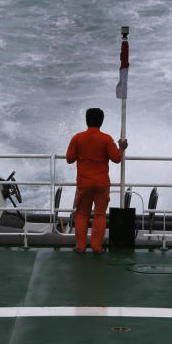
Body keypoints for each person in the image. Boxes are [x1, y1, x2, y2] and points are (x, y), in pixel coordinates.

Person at [66, 107, 128, 253]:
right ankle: (97, 247)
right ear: (101, 122)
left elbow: (69, 159)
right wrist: (121, 147)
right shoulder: (106, 139)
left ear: (86, 120)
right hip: (101, 183)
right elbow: (117, 159)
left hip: (84, 183)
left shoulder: (77, 138)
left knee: (81, 214)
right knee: (100, 215)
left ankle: (81, 247)